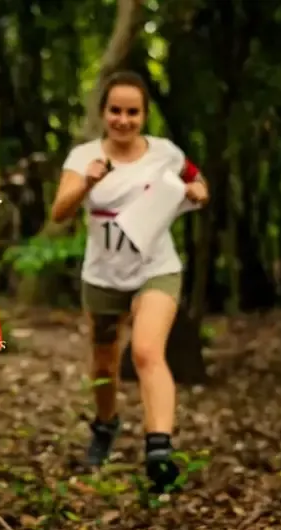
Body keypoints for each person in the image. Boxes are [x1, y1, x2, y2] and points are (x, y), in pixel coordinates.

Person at [50, 70, 210, 493]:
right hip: (103, 275)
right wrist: (88, 182)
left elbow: (197, 181)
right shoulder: (84, 157)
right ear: (104, 112)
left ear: (144, 115)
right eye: (116, 111)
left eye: (133, 112)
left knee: (145, 351)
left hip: (156, 267)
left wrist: (198, 192)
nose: (123, 120)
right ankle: (105, 424)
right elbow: (59, 212)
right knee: (104, 362)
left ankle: (159, 450)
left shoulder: (165, 153)